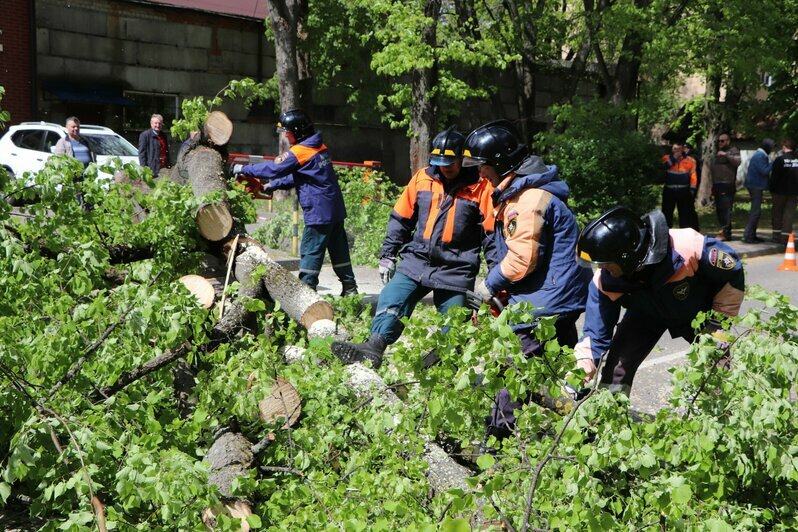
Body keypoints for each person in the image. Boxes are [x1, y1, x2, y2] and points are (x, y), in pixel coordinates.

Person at [461, 120, 591, 439]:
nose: (480, 174)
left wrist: (488, 285)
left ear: (502, 164)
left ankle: (498, 438)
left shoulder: (528, 200)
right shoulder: (528, 193)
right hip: (557, 295)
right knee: (563, 369)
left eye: (483, 166)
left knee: (515, 366)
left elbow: (522, 259)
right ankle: (588, 428)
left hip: (544, 300)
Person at [329, 128, 496, 368]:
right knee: (392, 297)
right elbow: (401, 218)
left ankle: (442, 366)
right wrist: (387, 253)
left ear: (463, 159)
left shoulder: (480, 188)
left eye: (450, 163)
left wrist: (494, 277)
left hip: (456, 267)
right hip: (417, 259)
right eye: (439, 162)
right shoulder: (422, 178)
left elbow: (491, 236)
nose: (444, 168)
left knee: (455, 319)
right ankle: (373, 349)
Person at [573, 206, 745, 395]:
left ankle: (718, 415)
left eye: (606, 264)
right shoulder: (605, 281)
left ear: (626, 257)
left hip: (698, 312)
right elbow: (594, 336)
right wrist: (576, 374)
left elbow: (731, 273)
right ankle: (611, 414)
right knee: (617, 367)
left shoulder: (687, 248)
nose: (603, 269)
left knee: (715, 363)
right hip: (646, 314)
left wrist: (720, 320)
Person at [233, 109, 358, 295]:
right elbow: (301, 176)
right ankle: (350, 288)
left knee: (310, 251)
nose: (285, 135)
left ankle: (306, 292)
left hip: (318, 211)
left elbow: (273, 168)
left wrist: (243, 168)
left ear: (298, 130)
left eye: (287, 131)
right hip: (333, 208)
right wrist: (272, 186)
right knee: (338, 248)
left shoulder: (301, 151)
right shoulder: (318, 147)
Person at [742, 138, 775, 243]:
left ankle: (752, 234)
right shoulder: (760, 156)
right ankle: (748, 235)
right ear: (767, 147)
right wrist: (773, 163)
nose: (772, 150)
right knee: (755, 211)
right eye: (772, 148)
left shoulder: (760, 155)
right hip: (755, 185)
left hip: (755, 185)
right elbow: (764, 171)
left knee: (756, 211)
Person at [710, 133, 741, 241]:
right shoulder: (716, 152)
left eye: (722, 141)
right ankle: (724, 231)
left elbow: (737, 162)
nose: (720, 143)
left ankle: (725, 231)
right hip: (717, 184)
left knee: (726, 209)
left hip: (727, 184)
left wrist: (726, 155)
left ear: (728, 141)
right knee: (719, 209)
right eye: (719, 141)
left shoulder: (733, 150)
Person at [661, 141, 699, 230]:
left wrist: (692, 189)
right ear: (671, 149)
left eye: (678, 149)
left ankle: (685, 235)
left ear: (682, 149)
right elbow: (664, 167)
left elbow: (693, 176)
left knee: (685, 215)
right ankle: (666, 234)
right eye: (675, 149)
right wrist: (674, 158)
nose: (677, 151)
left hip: (684, 191)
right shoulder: (666, 158)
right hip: (669, 190)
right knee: (667, 213)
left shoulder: (690, 160)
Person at [769, 138, 798, 245]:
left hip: (779, 191)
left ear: (784, 147)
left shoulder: (779, 160)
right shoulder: (797, 160)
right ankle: (785, 237)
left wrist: (771, 188)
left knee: (777, 213)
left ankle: (776, 236)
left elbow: (774, 176)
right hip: (794, 192)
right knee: (789, 214)